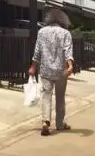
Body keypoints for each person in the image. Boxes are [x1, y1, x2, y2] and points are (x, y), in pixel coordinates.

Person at [28, 8, 74, 136]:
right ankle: (60, 123)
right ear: (63, 20)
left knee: (46, 95)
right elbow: (68, 51)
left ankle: (45, 121)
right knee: (60, 97)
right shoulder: (66, 33)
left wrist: (33, 66)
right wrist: (70, 65)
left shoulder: (42, 32)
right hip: (61, 71)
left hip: (45, 69)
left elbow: (37, 51)